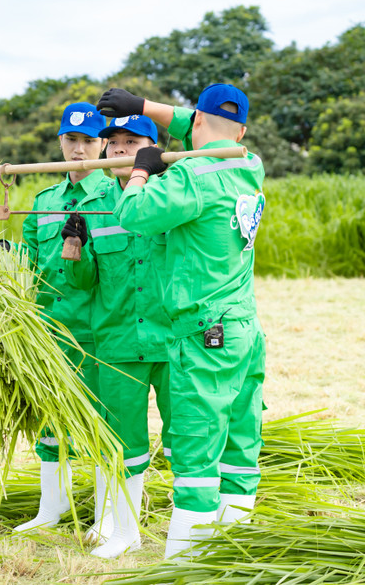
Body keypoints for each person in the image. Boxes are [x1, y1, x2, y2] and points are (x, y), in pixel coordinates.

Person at [97, 83, 266, 559]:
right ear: (243, 129)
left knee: (194, 452)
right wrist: (145, 109)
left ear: (196, 122)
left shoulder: (195, 175)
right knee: (239, 443)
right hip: (243, 328)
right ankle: (233, 551)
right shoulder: (248, 164)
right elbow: (199, 123)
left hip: (204, 332)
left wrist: (140, 172)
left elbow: (133, 214)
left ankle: (186, 564)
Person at [61, 114, 172, 558]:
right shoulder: (93, 203)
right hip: (117, 342)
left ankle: (198, 528)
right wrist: (74, 251)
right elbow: (84, 283)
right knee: (122, 441)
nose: (120, 149)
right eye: (113, 143)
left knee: (186, 434)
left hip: (170, 340)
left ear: (152, 148)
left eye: (132, 141)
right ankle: (126, 532)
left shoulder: (171, 195)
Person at [13, 102, 115, 539]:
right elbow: (30, 264)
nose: (78, 150)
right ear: (59, 141)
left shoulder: (117, 197)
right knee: (50, 416)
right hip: (50, 327)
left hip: (98, 327)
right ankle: (51, 507)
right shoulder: (44, 201)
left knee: (103, 419)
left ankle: (110, 513)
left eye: (88, 141)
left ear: (104, 144)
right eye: (71, 140)